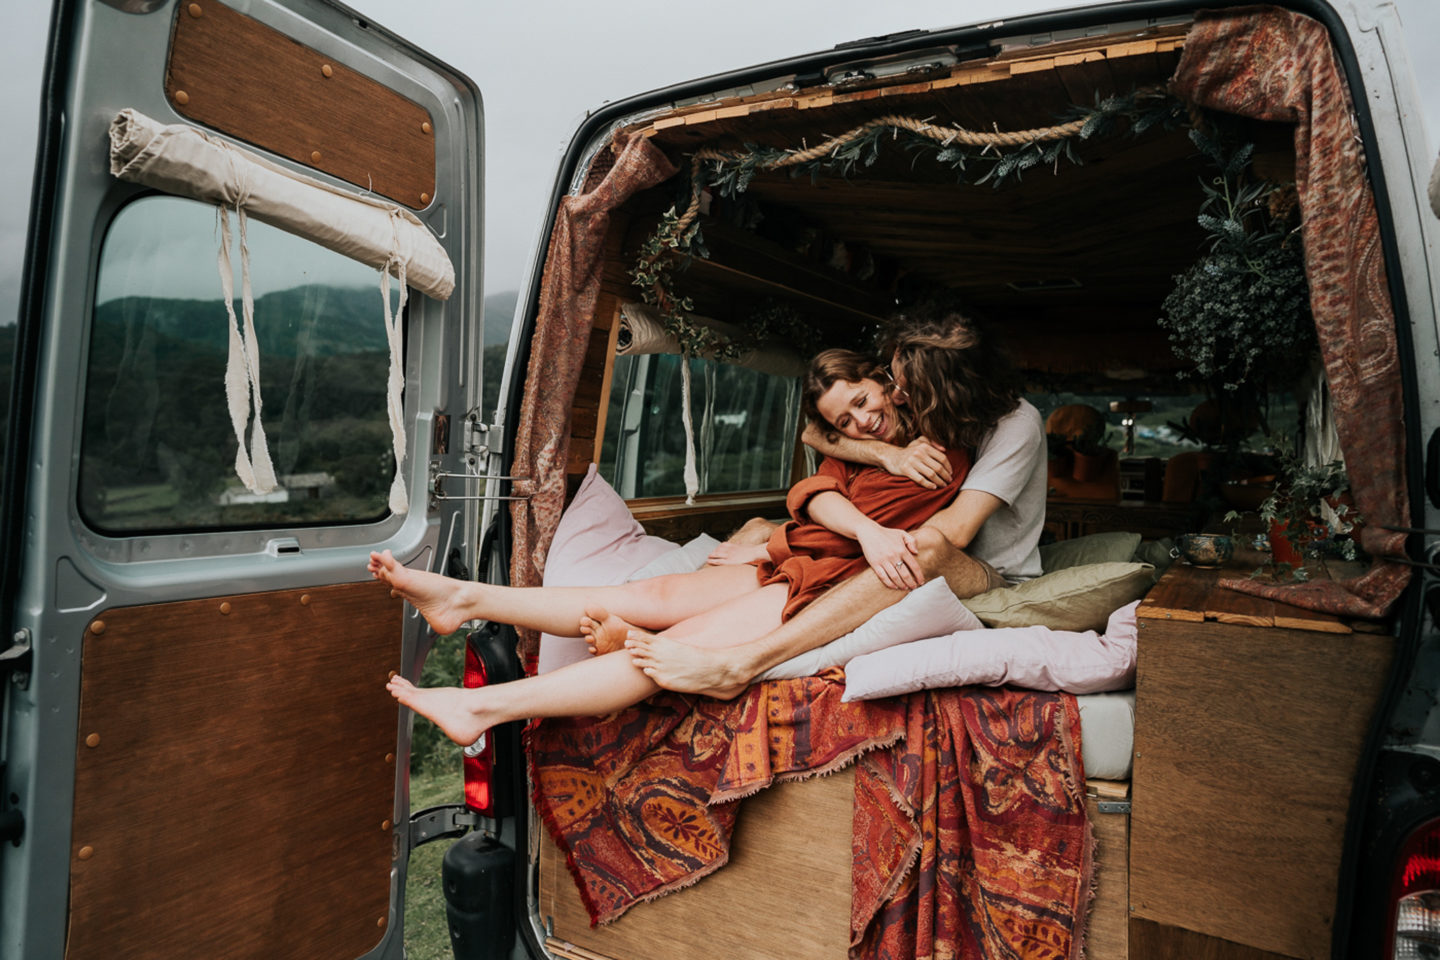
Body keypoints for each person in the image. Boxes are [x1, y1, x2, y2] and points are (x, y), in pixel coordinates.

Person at [380, 348, 978, 748]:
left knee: (667, 652)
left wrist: (867, 516)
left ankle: (483, 708)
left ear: (890, 386)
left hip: (826, 579)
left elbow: (888, 512)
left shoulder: (941, 451)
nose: (861, 421)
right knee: (649, 592)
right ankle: (463, 597)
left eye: (864, 401)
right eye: (844, 420)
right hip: (791, 556)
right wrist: (858, 473)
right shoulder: (857, 449)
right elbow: (812, 489)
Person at [623, 307, 1047, 696]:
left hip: (987, 573)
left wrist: (838, 542)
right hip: (927, 539)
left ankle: (743, 661)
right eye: (892, 383)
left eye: (906, 387)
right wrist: (887, 455)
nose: (897, 396)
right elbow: (814, 433)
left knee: (914, 549)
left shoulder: (1015, 425)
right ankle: (664, 626)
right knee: (757, 526)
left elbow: (953, 532)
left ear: (945, 389)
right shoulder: (935, 412)